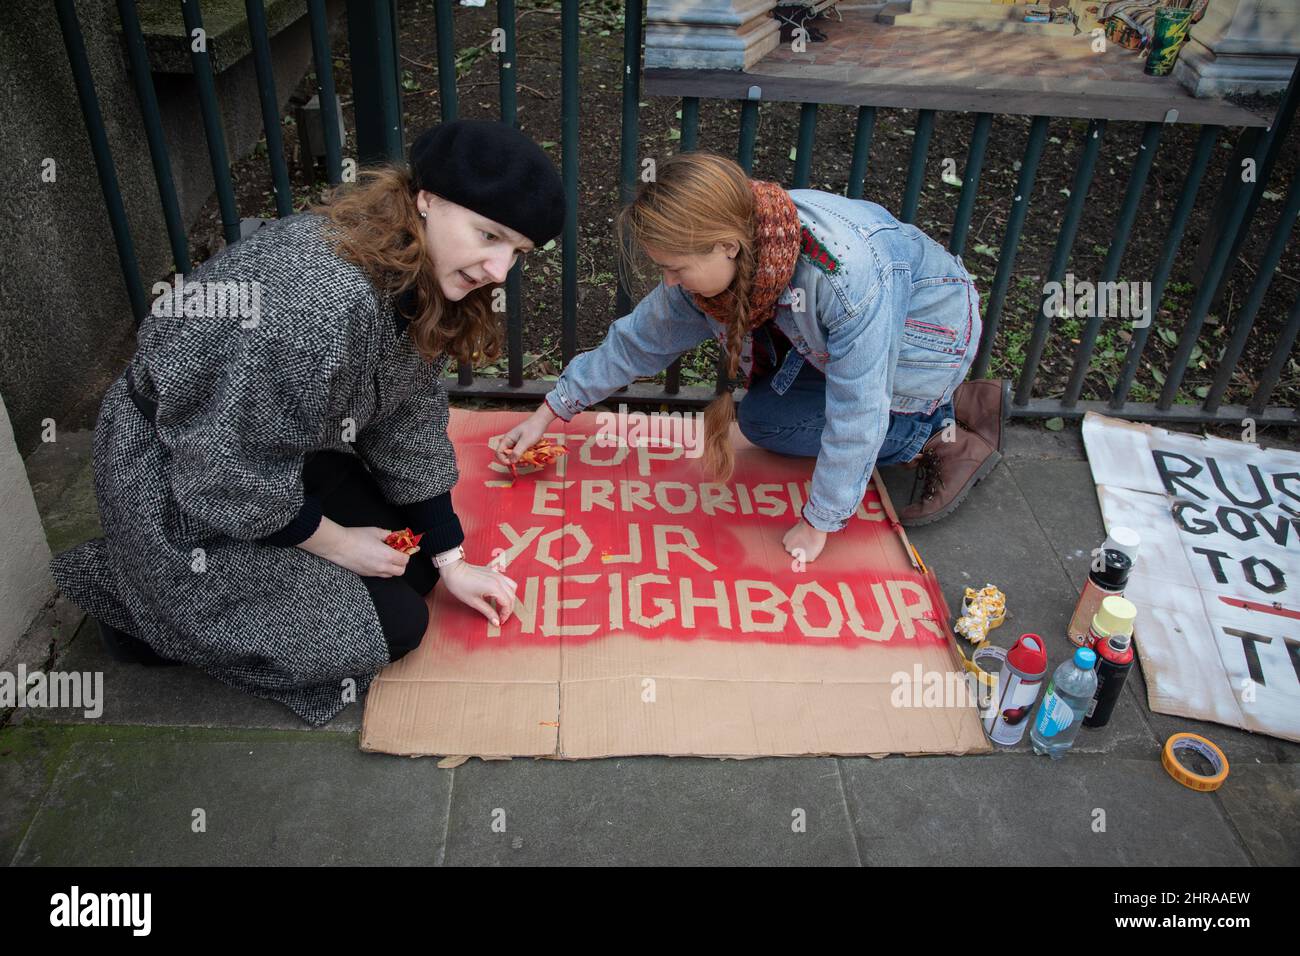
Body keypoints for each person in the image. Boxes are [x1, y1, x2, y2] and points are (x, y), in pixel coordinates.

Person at [49, 120, 563, 725]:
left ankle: (259, 578)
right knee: (393, 627)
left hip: (279, 453)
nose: (500, 270)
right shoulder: (316, 301)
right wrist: (340, 544)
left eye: (517, 252)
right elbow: (221, 471)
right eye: (489, 235)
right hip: (176, 481)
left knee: (417, 563)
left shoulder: (406, 270)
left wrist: (453, 560)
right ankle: (135, 606)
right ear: (426, 199)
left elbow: (407, 418)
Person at [497, 151, 1008, 564]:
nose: (669, 282)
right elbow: (639, 341)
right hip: (834, 338)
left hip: (926, 341)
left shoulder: (843, 278)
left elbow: (858, 410)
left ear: (726, 246)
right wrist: (551, 411)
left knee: (772, 423)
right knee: (766, 418)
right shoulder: (736, 237)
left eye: (675, 268)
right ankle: (941, 407)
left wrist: (818, 522)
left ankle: (934, 429)